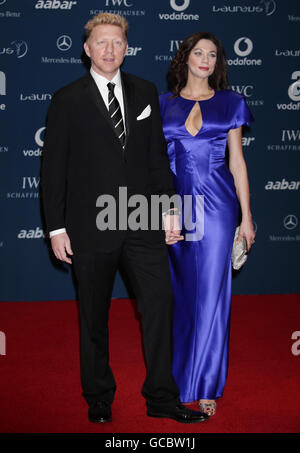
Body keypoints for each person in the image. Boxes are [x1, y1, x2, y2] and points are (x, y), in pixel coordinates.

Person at [41, 13, 208, 424]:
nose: (109, 50)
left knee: (159, 305)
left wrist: (171, 209)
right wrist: (56, 227)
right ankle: (99, 396)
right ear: (87, 49)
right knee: (93, 316)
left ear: (127, 47)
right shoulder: (67, 99)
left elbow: (156, 160)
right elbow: (53, 169)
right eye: (101, 43)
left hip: (142, 220)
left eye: (117, 42)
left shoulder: (145, 91)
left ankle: (161, 398)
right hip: (89, 226)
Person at [159, 32, 255, 416]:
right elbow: (155, 168)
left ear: (218, 63)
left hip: (217, 209)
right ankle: (180, 377)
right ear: (185, 58)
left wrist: (246, 218)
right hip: (174, 208)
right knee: (179, 294)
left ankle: (207, 383)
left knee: (212, 296)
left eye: (212, 54)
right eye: (198, 52)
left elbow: (237, 163)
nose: (206, 59)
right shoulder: (162, 104)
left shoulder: (231, 103)